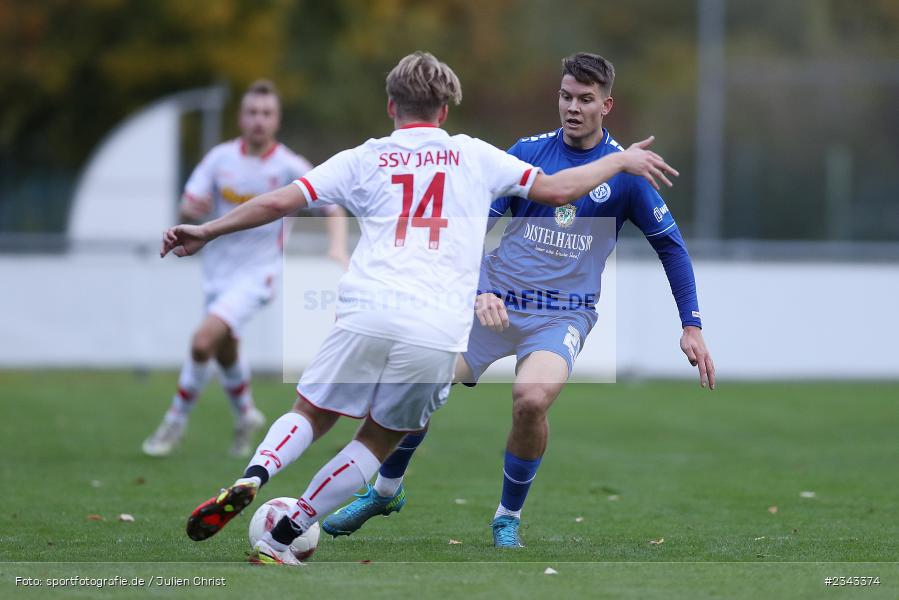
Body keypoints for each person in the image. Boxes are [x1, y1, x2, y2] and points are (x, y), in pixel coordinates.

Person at [161, 51, 678, 565]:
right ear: (445, 111)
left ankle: (255, 475)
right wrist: (620, 159)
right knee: (379, 439)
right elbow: (559, 188)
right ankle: (295, 524)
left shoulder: (366, 156)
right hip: (435, 324)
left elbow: (279, 202)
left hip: (367, 307)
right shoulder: (474, 154)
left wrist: (207, 230)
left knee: (312, 413)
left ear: (391, 106)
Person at [321, 52, 714, 548]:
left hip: (562, 314)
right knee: (418, 381)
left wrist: (691, 323)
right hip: (495, 302)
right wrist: (479, 287)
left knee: (530, 400)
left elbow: (671, 247)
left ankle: (507, 516)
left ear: (606, 105)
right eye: (566, 96)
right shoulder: (527, 153)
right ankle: (386, 491)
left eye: (585, 100)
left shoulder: (626, 174)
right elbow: (472, 229)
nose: (573, 107)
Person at [143, 80, 349, 459]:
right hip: (217, 273)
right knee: (224, 347)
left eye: (266, 113)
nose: (259, 120)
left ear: (277, 120)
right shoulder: (220, 159)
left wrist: (336, 247)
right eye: (252, 112)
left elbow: (331, 205)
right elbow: (189, 206)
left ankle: (175, 421)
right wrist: (193, 210)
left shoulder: (289, 164)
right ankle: (246, 414)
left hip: (259, 274)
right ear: (241, 117)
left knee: (203, 341)